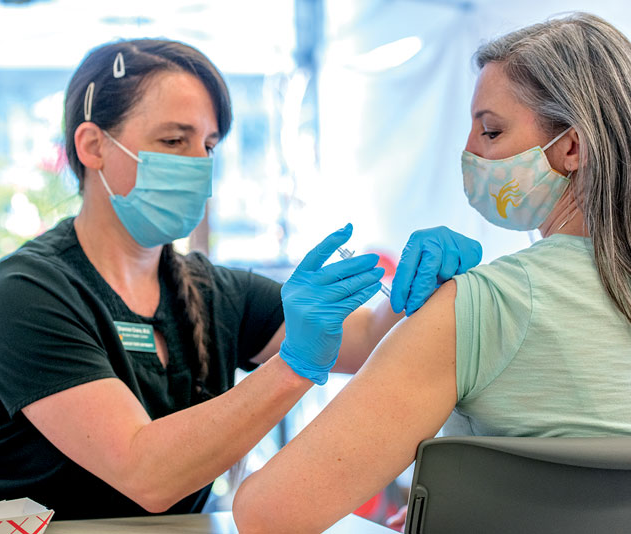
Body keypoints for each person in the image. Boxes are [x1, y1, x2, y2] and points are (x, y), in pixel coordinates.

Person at [0, 39, 481, 519]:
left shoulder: (209, 291)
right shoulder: (27, 293)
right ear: (92, 146)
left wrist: (415, 292)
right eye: (175, 141)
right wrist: (293, 368)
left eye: (208, 145)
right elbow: (145, 474)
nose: (198, 164)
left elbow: (363, 343)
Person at [233, 12, 631, 534]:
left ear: (572, 148)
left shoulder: (478, 307)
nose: (468, 152)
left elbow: (269, 514)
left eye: (491, 130)